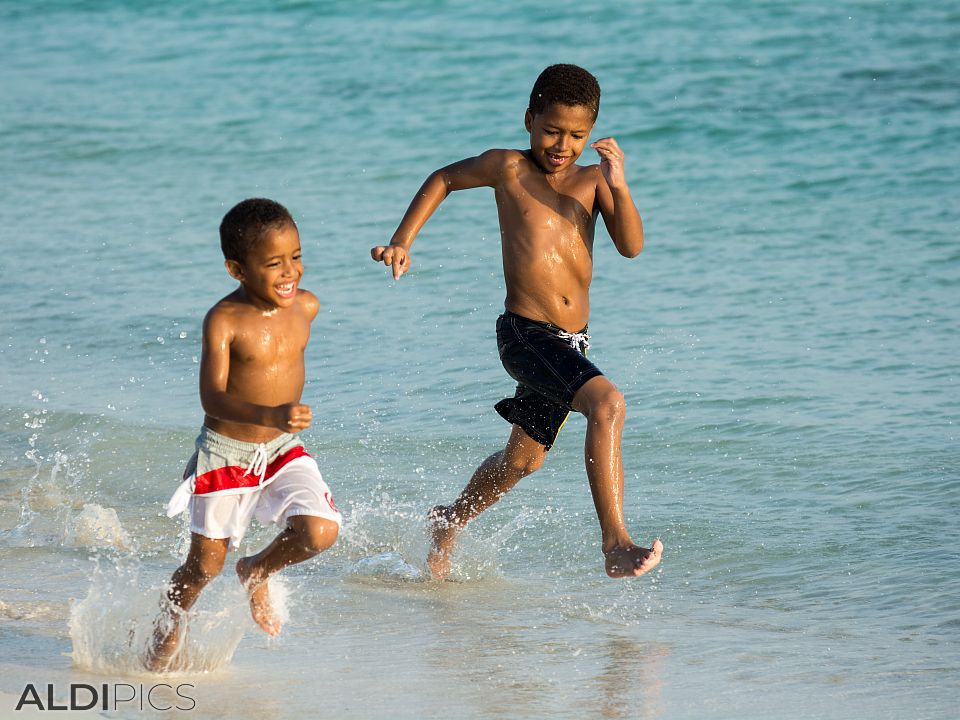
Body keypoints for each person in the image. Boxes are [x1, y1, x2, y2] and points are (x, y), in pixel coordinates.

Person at [371, 64, 663, 580]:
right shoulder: (508, 168)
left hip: (572, 343)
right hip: (524, 334)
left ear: (591, 134)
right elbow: (443, 178)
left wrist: (619, 182)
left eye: (577, 135)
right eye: (551, 130)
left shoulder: (594, 182)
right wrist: (402, 240)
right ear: (529, 120)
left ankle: (448, 519)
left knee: (523, 461)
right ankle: (615, 543)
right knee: (608, 403)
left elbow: (632, 246)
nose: (561, 144)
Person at [146, 198, 342, 671]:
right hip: (226, 453)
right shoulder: (225, 321)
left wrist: (277, 422)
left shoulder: (306, 307)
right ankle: (170, 620)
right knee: (202, 569)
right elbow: (212, 398)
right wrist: (269, 411)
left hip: (280, 449)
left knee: (320, 530)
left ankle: (257, 569)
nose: (289, 271)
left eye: (296, 256)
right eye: (273, 264)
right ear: (237, 269)